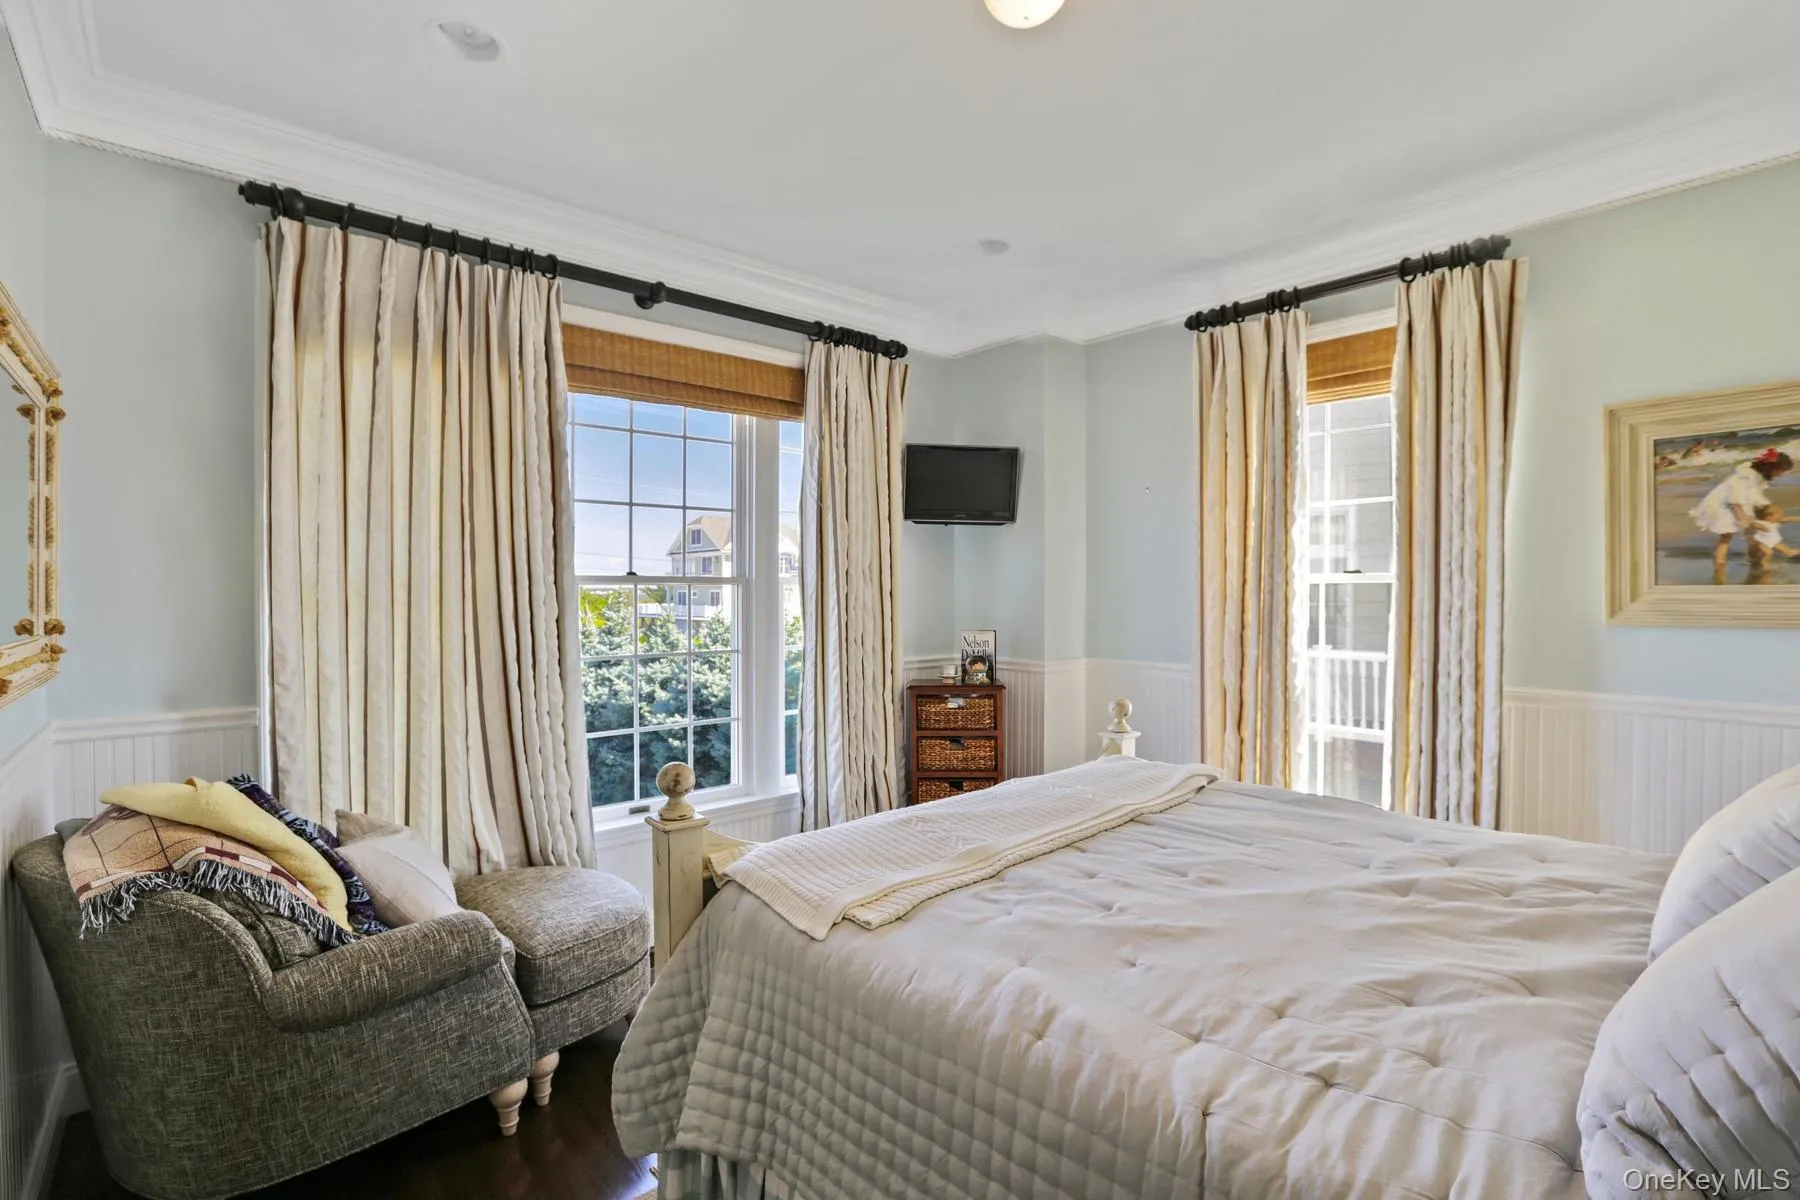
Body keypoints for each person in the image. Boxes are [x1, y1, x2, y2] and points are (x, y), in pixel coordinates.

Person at [1690, 448, 1794, 581]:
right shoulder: (1746, 474)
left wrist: (1765, 506)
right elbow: (1735, 499)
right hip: (1725, 505)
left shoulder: (1757, 476)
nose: (1782, 474)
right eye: (1781, 471)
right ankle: (1719, 569)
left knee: (1751, 534)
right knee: (1726, 538)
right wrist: (1746, 520)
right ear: (1771, 466)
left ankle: (1755, 561)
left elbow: (1754, 494)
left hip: (1739, 504)